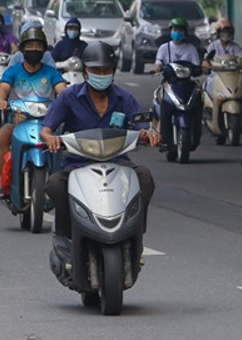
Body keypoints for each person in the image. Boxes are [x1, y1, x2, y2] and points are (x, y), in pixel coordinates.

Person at [41, 42, 161, 236]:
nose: (102, 74)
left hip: (118, 163)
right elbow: (46, 129)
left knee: (145, 178)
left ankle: (135, 233)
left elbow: (142, 125)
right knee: (55, 184)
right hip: (77, 165)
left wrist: (149, 134)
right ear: (86, 72)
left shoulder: (124, 98)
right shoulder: (69, 96)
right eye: (96, 70)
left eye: (106, 70)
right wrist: (51, 138)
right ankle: (65, 236)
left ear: (113, 72)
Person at [0, 26, 66, 198]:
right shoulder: (14, 70)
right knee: (2, 136)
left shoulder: (51, 72)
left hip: (47, 123)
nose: (34, 50)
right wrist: (1, 100)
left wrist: (68, 96)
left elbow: (61, 88)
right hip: (18, 119)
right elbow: (3, 88)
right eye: (30, 46)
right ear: (23, 49)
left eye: (38, 46)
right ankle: (7, 184)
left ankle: (61, 183)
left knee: (67, 143)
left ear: (44, 50)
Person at [153, 16, 203, 152]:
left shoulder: (191, 49)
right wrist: (158, 67)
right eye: (175, 29)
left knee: (198, 103)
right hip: (170, 83)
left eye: (180, 29)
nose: (178, 32)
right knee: (165, 106)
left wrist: (200, 68)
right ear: (171, 31)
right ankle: (164, 139)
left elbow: (197, 66)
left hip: (187, 84)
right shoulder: (164, 48)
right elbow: (158, 63)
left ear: (185, 32)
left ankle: (197, 132)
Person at [202, 18, 242, 94]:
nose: (226, 34)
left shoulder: (236, 47)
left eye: (228, 32)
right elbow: (206, 60)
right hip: (216, 75)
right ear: (218, 33)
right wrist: (206, 65)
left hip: (233, 76)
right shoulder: (213, 46)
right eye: (223, 32)